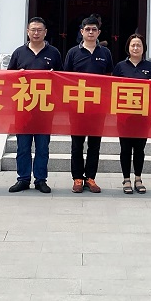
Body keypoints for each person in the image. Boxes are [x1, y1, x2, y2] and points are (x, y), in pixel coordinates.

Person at [7, 17, 63, 194]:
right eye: (33, 30)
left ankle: (40, 180)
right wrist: (18, 75)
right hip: (23, 107)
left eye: (39, 30)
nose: (36, 33)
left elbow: (62, 79)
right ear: (27, 32)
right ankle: (23, 179)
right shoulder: (19, 52)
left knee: (42, 147)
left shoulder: (54, 53)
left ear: (45, 32)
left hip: (45, 107)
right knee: (23, 146)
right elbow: (8, 78)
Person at [63, 14, 113, 194]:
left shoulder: (105, 53)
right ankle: (77, 178)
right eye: (87, 29)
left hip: (98, 107)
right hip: (77, 106)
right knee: (77, 144)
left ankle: (90, 177)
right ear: (81, 32)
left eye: (94, 29)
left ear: (99, 32)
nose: (91, 32)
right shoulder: (73, 53)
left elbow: (109, 79)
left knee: (95, 144)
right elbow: (66, 78)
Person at [113, 33, 151, 194]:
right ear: (128, 47)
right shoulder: (120, 67)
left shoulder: (150, 67)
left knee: (139, 148)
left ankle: (138, 178)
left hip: (143, 115)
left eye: (139, 45)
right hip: (124, 115)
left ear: (143, 48)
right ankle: (126, 179)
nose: (136, 48)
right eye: (133, 45)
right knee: (125, 148)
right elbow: (113, 89)